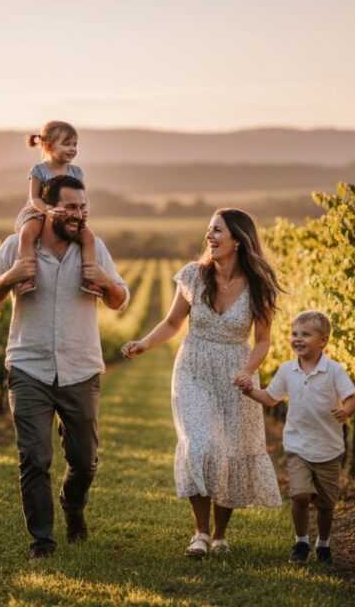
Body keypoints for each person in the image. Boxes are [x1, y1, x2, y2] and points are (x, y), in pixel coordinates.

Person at [0, 175, 130, 560]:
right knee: (34, 457)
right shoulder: (16, 246)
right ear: (48, 209)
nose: (80, 215)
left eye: (83, 207)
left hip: (81, 367)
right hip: (29, 367)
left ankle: (72, 504)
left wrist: (105, 282)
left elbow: (120, 300)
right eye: (71, 208)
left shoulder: (94, 250)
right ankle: (42, 542)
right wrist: (11, 277)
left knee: (84, 460)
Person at [121, 208, 283, 557]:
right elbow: (171, 322)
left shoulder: (259, 285)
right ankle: (200, 532)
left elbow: (264, 341)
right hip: (193, 368)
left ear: (238, 240)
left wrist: (248, 371)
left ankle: (221, 534)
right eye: (208, 230)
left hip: (236, 375)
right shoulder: (194, 276)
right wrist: (144, 344)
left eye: (217, 231)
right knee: (201, 444)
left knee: (230, 452)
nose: (209, 236)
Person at [237, 310, 355, 565]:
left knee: (326, 505)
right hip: (297, 446)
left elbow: (352, 397)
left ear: (323, 341)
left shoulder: (333, 370)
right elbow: (271, 398)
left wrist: (346, 410)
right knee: (300, 496)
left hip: (328, 448)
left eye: (306, 334)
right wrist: (250, 392)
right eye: (294, 334)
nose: (298, 339)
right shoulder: (287, 370)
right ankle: (301, 541)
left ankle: (323, 544)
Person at [15, 120, 101, 296]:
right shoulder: (39, 170)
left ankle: (90, 280)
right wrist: (47, 210)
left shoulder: (76, 172)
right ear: (47, 147)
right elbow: (34, 198)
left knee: (89, 238)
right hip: (39, 212)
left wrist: (84, 211)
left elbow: (84, 198)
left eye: (75, 144)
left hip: (69, 215)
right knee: (27, 233)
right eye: (66, 144)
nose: (72, 149)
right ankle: (26, 277)